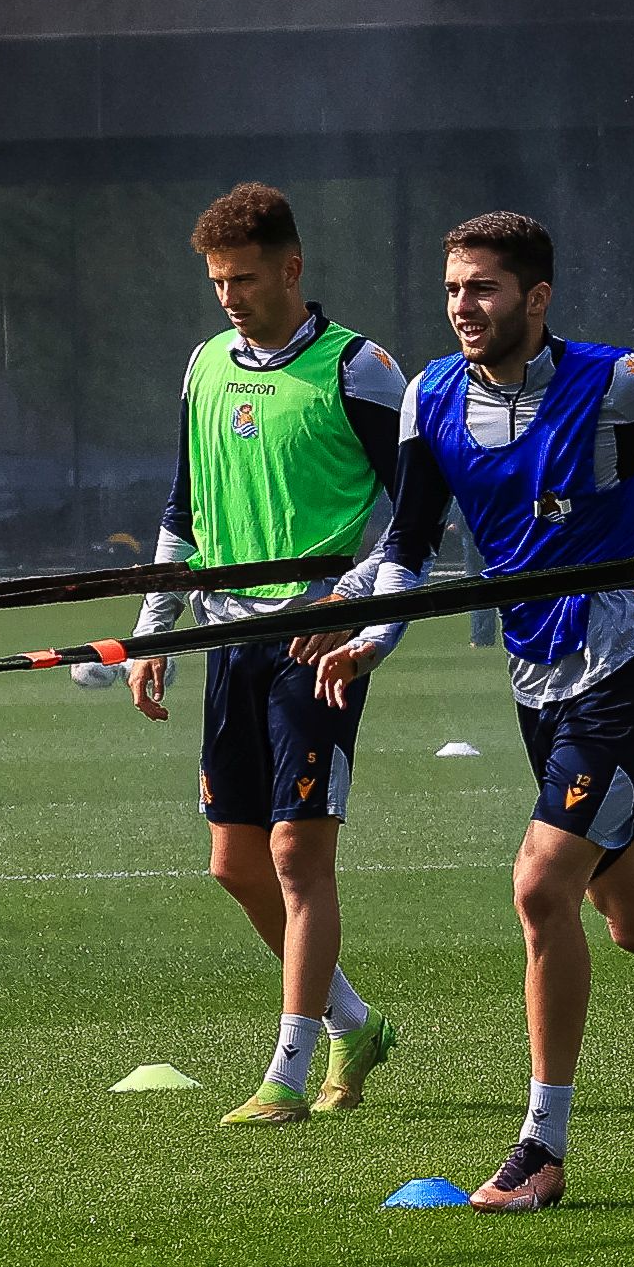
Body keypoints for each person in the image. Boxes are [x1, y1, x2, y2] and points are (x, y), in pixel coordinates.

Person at [306, 212, 634, 1212]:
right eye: (453, 288)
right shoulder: (430, 396)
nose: (464, 306)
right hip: (537, 679)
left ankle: (541, 1147)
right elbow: (411, 544)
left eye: (483, 287)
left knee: (538, 885)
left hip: (631, 664)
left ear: (537, 295)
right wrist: (373, 632)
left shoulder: (621, 381)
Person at [125, 186, 416, 1131]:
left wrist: (352, 600)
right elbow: (182, 507)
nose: (229, 297)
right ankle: (354, 1024)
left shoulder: (360, 369)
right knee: (234, 863)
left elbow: (419, 516)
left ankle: (287, 1074)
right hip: (225, 635)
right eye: (217, 282)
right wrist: (155, 628)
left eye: (244, 279)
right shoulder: (205, 364)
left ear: (292, 269)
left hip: (316, 640)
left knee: (296, 852)